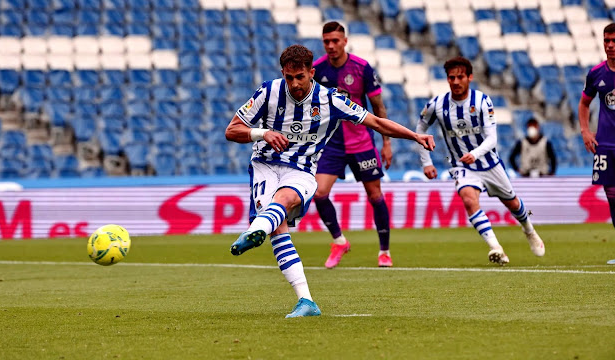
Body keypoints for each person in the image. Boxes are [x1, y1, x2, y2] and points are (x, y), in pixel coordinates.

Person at [225, 45, 435, 317]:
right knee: (279, 229)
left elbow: (376, 122)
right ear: (282, 74)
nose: (295, 84)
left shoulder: (332, 99)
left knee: (283, 202)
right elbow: (232, 130)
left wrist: (415, 136)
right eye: (289, 78)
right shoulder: (268, 91)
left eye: (300, 76)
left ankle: (257, 230)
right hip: (264, 165)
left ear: (312, 73)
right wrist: (263, 133)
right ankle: (306, 302)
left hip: (301, 169)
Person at [415, 56, 545, 265]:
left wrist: (475, 153)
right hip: (461, 165)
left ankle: (529, 230)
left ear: (469, 77)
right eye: (451, 78)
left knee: (512, 202)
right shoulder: (437, 105)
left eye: (460, 77)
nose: (456, 82)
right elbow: (420, 129)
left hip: (488, 163)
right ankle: (496, 248)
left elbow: (492, 138)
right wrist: (426, 161)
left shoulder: (482, 101)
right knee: (468, 199)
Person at [312, 21, 394, 268]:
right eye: (326, 41)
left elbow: (378, 107)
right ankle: (339, 241)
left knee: (375, 194)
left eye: (335, 41)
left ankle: (384, 252)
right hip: (332, 144)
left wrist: (386, 142)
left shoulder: (362, 68)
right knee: (319, 193)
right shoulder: (317, 70)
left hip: (361, 143)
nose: (331, 46)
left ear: (345, 41)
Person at [578, 22, 615, 264]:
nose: (610, 46)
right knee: (612, 196)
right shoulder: (596, 73)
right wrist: (585, 131)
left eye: (614, 41)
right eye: (606, 41)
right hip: (605, 146)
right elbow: (584, 103)